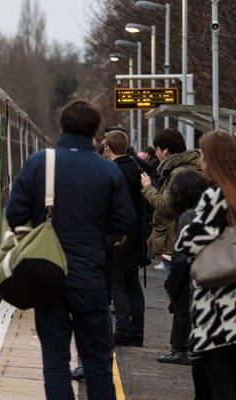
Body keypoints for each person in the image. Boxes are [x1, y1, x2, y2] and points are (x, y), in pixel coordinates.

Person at [6, 100, 136, 400]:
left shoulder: (40, 163)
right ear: (95, 134)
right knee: (97, 361)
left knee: (55, 360)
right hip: (90, 278)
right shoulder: (107, 171)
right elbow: (125, 222)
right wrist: (95, 236)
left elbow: (14, 215)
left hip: (47, 277)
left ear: (62, 127)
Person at [175, 129, 236, 400]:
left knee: (219, 380)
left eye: (203, 156)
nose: (201, 162)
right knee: (233, 375)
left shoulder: (215, 196)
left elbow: (189, 242)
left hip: (216, 299)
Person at [139, 129, 201, 364]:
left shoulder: (177, 173)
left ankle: (181, 348)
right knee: (183, 296)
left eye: (158, 149)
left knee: (179, 297)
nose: (156, 154)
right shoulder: (191, 167)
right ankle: (185, 346)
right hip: (183, 239)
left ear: (165, 150)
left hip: (175, 241)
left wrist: (147, 187)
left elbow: (165, 206)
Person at [102, 130, 147, 347]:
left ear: (108, 148)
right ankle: (137, 332)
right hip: (136, 234)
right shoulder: (135, 167)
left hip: (119, 235)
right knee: (132, 283)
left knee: (117, 283)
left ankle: (122, 330)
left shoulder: (113, 171)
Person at [163, 168, 211, 371]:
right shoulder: (209, 210)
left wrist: (171, 285)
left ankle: (181, 348)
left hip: (193, 280)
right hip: (211, 280)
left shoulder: (188, 217)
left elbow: (182, 259)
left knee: (182, 307)